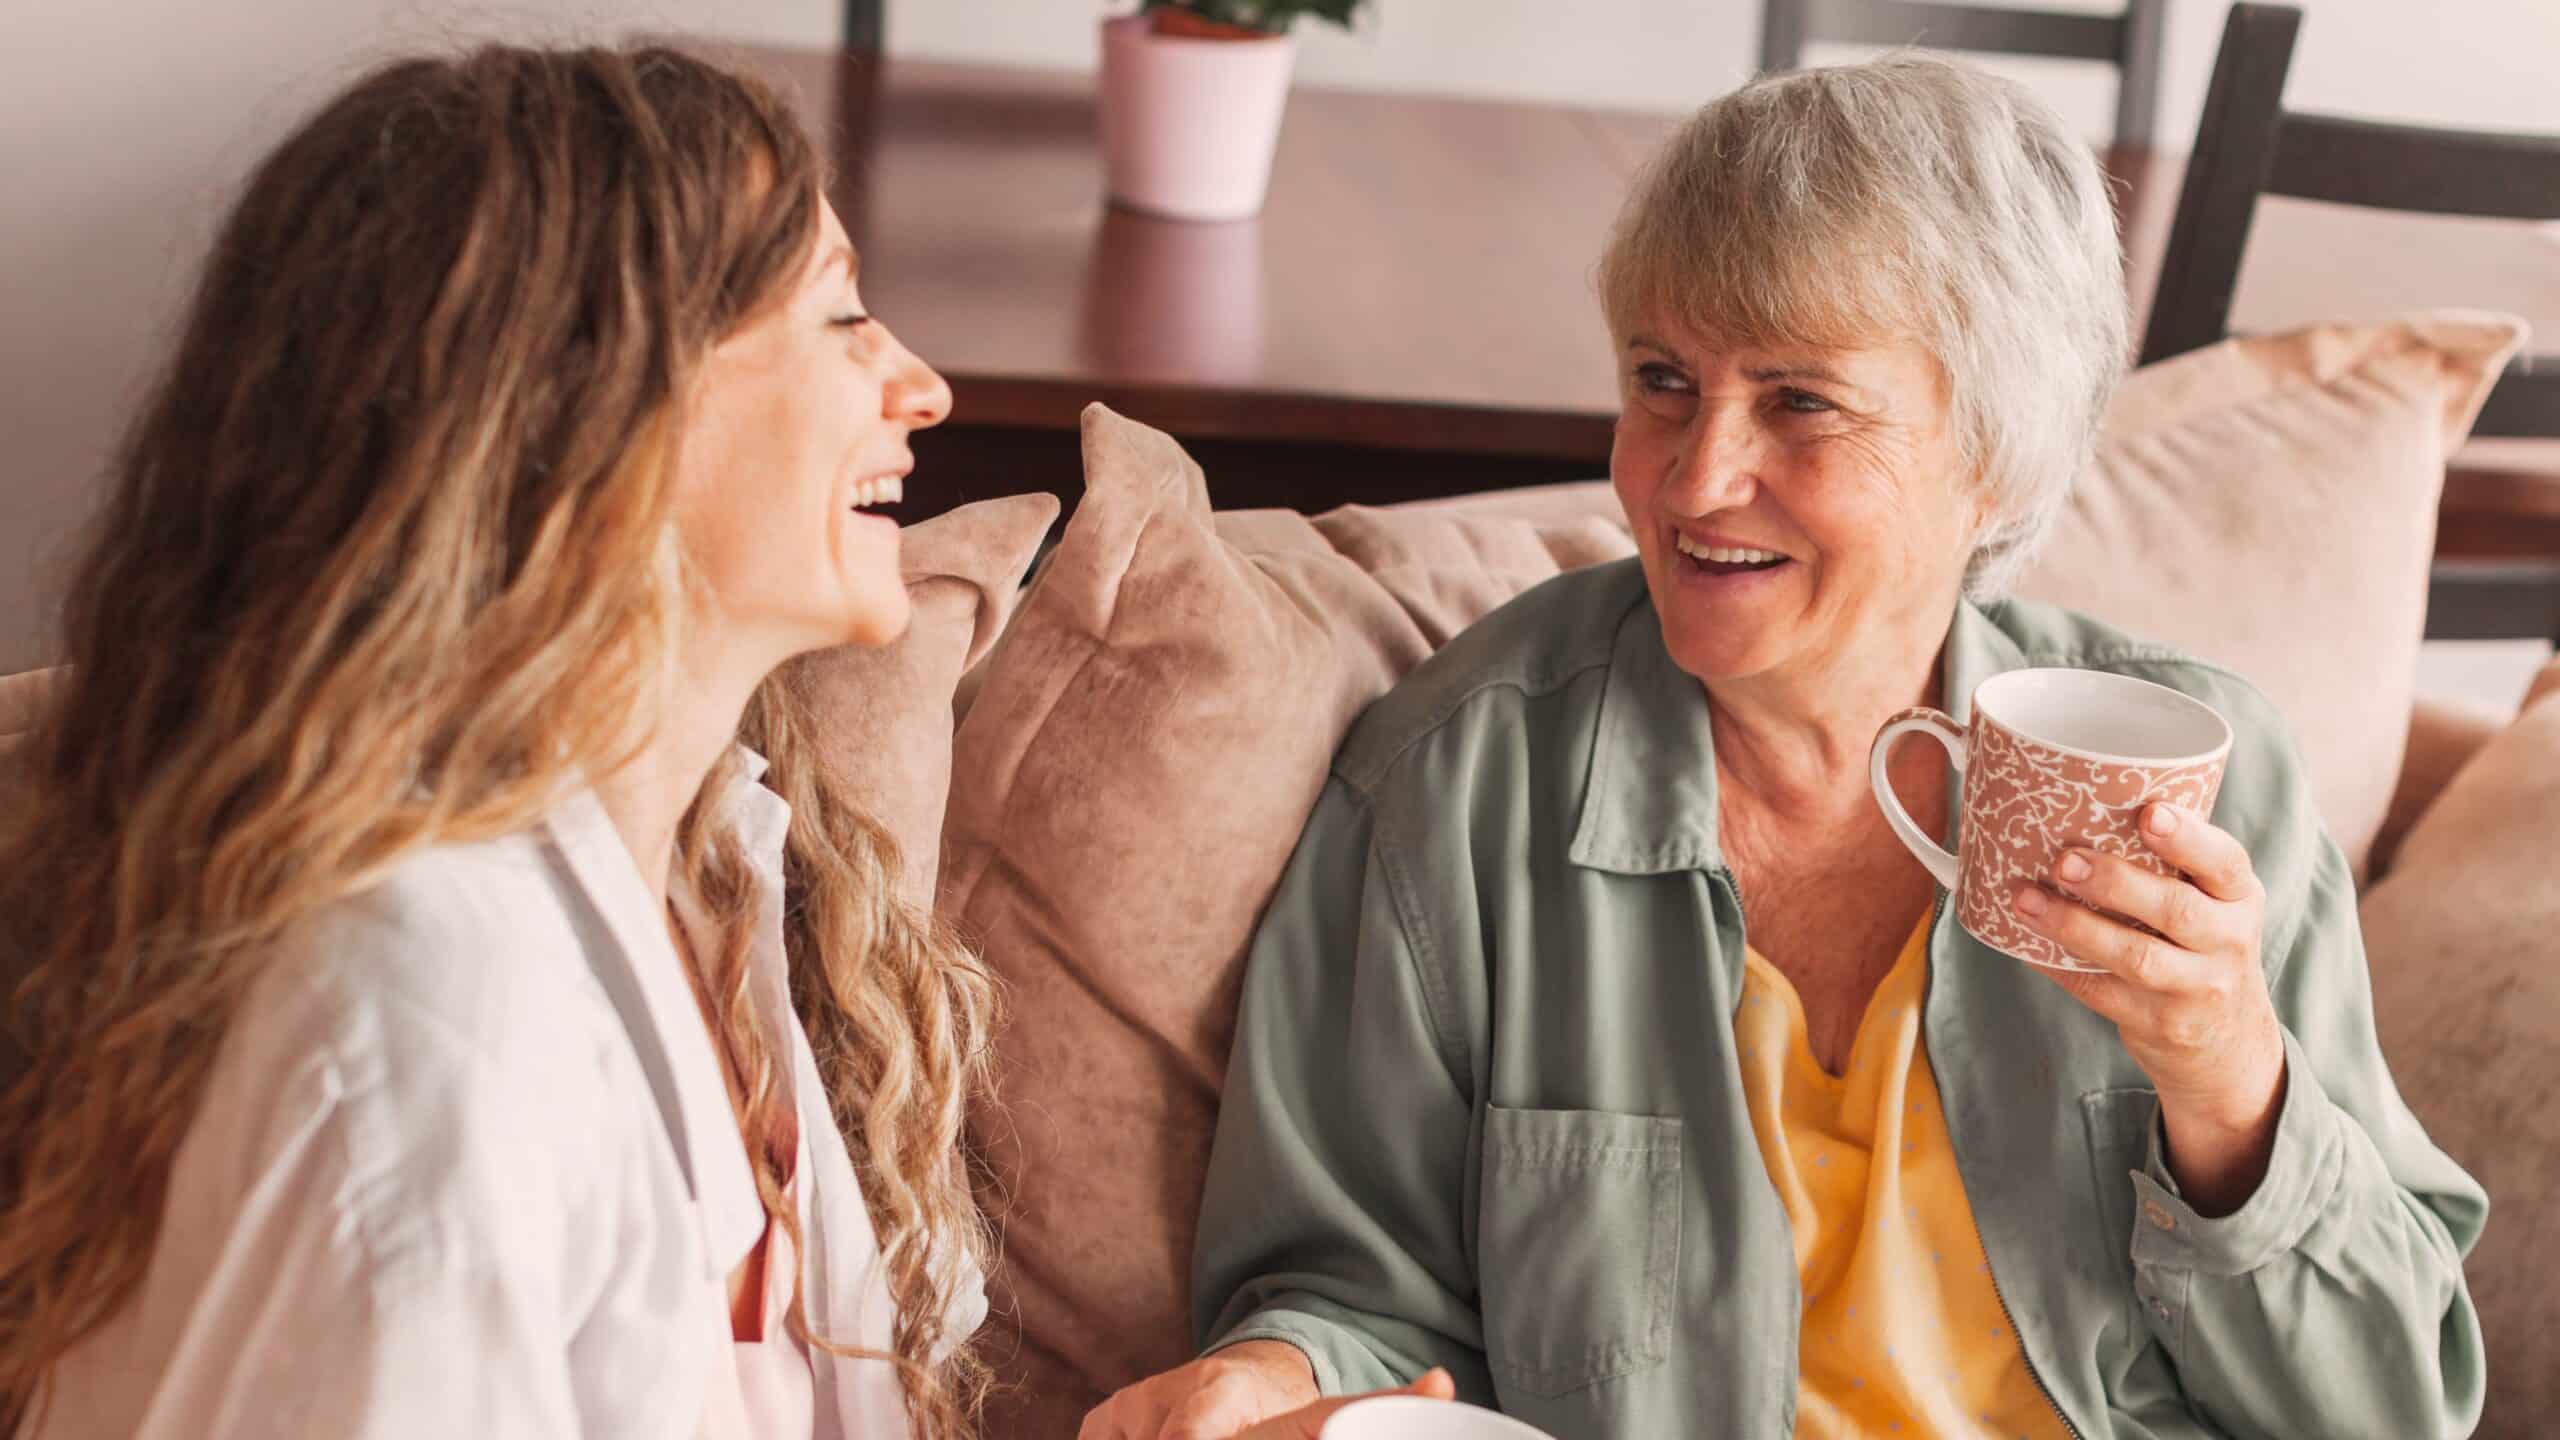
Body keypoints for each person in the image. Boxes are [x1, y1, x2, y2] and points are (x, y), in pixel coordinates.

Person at [1089, 55, 2486, 1440]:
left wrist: (2231, 1083)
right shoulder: (1459, 790)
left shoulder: (2197, 792)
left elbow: (2394, 1409)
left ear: (1993, 449)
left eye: (1801, 402)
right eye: (1663, 381)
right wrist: (1271, 1381)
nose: (1697, 481)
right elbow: (1354, 1291)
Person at [0, 44, 1000, 1439]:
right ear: (603, 411)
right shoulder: (426, 1029)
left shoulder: (715, 870)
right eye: (840, 320)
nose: (921, 387)